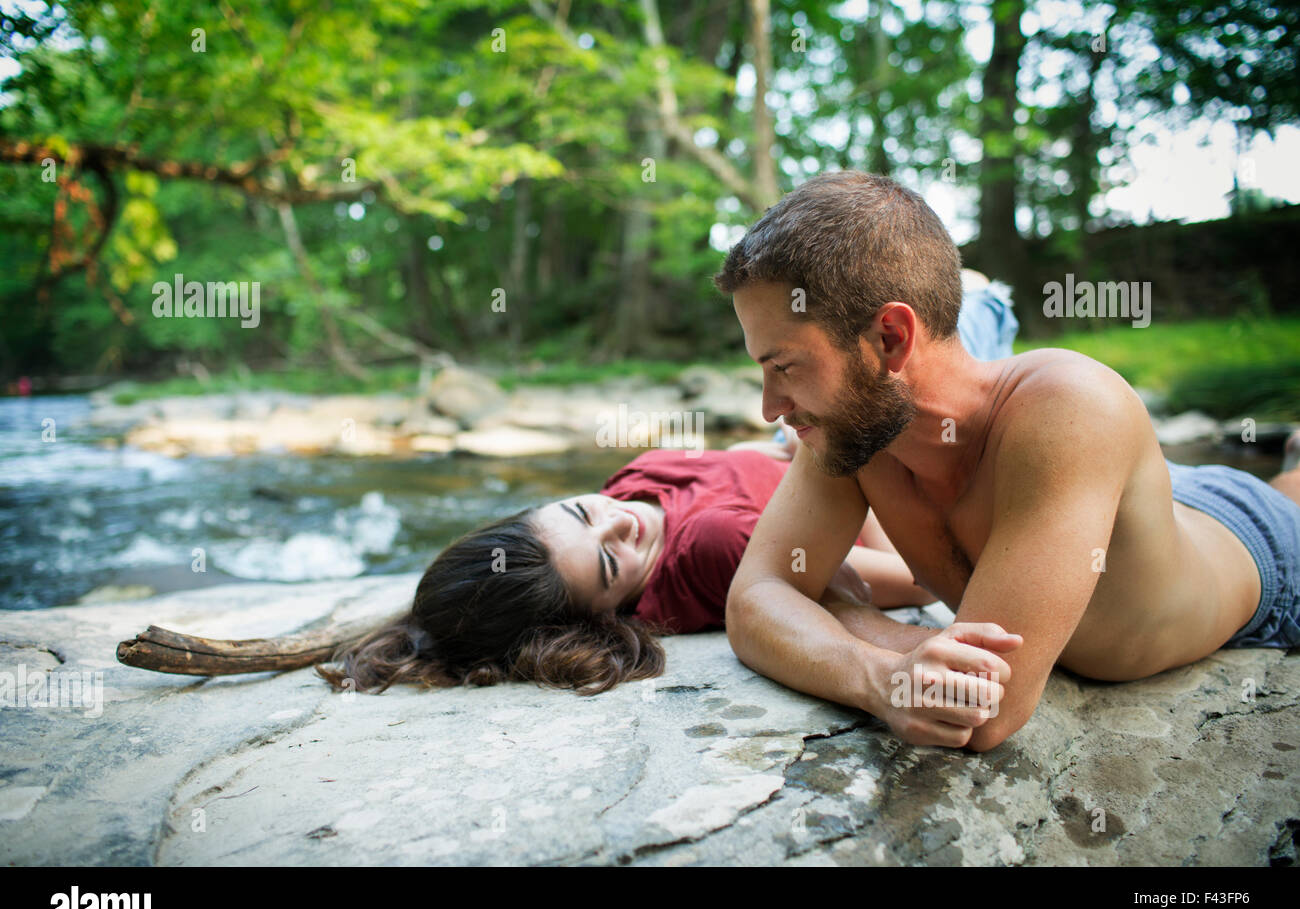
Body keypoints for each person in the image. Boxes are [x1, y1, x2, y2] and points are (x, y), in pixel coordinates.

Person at [715, 170, 1300, 753]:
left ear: (890, 338)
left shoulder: (1070, 409)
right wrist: (879, 678)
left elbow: (983, 708)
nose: (770, 409)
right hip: (1105, 499)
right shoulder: (855, 431)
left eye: (784, 367)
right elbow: (752, 603)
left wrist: (835, 607)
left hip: (1253, 541)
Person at [317, 281, 1024, 697]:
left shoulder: (630, 486)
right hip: (873, 454)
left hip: (808, 437)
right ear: (603, 615)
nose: (618, 521)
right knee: (967, 319)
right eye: (607, 562)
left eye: (579, 513)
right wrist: (854, 460)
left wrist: (782, 440)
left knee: (913, 307)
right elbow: (905, 577)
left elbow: (732, 468)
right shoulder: (712, 554)